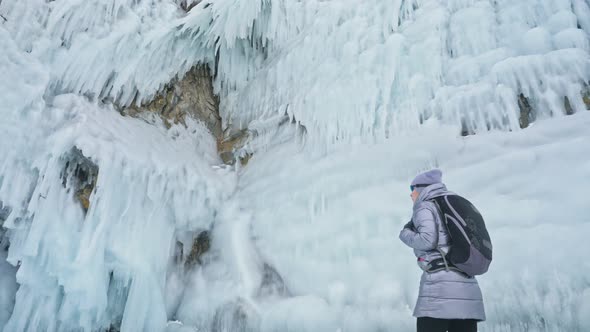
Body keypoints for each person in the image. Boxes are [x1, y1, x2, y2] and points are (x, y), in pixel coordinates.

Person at [399, 169, 485, 332]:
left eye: (413, 189)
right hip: (467, 288)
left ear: (423, 188)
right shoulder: (452, 203)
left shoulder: (426, 206)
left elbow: (427, 240)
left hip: (439, 289)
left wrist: (405, 234)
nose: (411, 195)